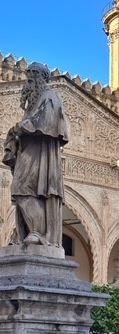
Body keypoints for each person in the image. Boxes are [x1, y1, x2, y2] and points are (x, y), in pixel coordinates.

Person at [2, 62, 70, 246]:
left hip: (40, 156)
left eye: (34, 73)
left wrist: (20, 127)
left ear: (43, 77)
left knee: (23, 188)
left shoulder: (50, 97)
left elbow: (44, 122)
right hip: (29, 152)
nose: (30, 76)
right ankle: (27, 232)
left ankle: (37, 232)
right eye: (28, 72)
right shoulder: (34, 101)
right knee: (23, 190)